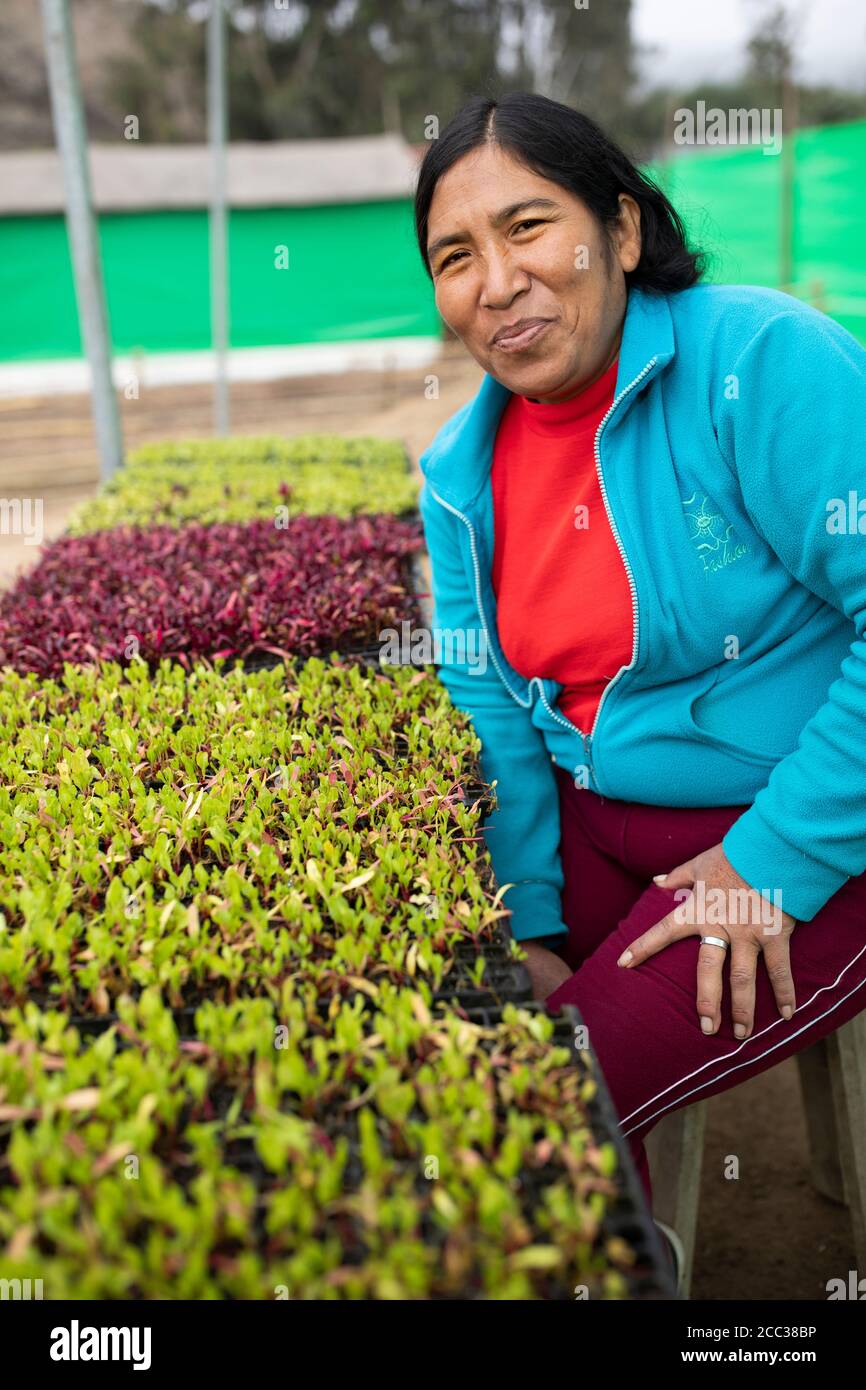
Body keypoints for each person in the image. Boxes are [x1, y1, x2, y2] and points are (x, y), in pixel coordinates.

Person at [415, 91, 866, 1226]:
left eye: (527, 227)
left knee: (530, 1114)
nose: (496, 282)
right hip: (596, 824)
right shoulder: (458, 476)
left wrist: (771, 857)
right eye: (454, 255)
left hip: (811, 832)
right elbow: (488, 701)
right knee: (423, 1035)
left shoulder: (759, 362)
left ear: (619, 231)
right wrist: (522, 916)